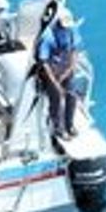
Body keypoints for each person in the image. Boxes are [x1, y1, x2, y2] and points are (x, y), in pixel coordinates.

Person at [36, 9, 87, 139]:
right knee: (57, 96)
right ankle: (58, 127)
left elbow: (74, 51)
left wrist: (69, 69)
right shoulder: (48, 36)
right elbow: (44, 62)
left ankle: (69, 124)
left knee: (72, 93)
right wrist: (54, 81)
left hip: (65, 68)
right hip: (50, 70)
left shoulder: (72, 30)